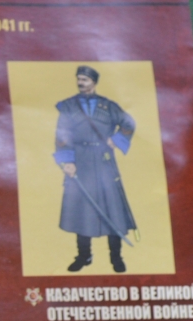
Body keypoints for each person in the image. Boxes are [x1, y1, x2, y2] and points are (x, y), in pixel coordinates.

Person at [54, 66, 137, 273]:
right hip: (80, 161)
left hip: (104, 160)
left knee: (113, 208)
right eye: (78, 79)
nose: (80, 82)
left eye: (85, 79)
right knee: (82, 209)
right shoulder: (68, 106)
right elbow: (62, 135)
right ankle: (84, 256)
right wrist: (68, 161)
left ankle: (116, 257)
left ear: (94, 82)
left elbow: (129, 123)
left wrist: (116, 139)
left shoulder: (108, 106)